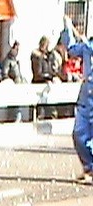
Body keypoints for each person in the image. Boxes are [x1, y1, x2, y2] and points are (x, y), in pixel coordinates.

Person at [61, 16, 93, 183]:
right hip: (87, 97)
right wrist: (67, 28)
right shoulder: (88, 47)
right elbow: (73, 49)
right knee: (79, 133)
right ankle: (89, 168)